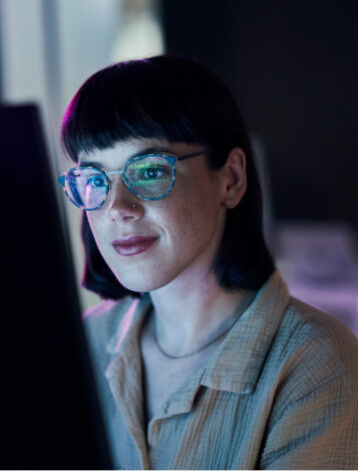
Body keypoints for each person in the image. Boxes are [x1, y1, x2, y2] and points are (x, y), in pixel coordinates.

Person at [58, 55, 358, 470]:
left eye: (147, 171)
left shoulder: (317, 366)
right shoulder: (83, 345)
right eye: (94, 179)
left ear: (231, 179)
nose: (117, 208)